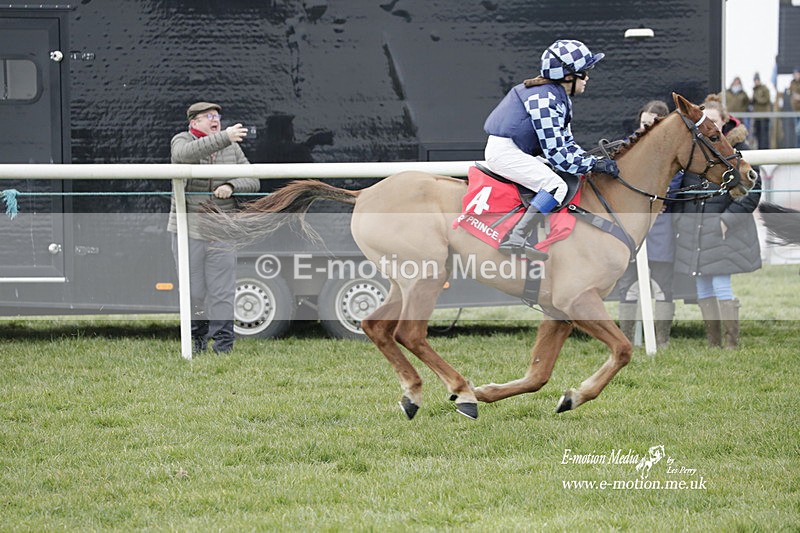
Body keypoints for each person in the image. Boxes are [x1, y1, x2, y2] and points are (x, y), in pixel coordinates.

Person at [483, 38, 619, 260]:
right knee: (556, 185)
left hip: (517, 150)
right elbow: (557, 155)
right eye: (584, 73)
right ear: (567, 75)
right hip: (506, 152)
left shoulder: (558, 96)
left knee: (565, 178)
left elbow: (567, 143)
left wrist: (590, 159)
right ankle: (516, 237)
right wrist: (594, 164)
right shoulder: (544, 98)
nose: (588, 78)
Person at [168, 102, 260, 354]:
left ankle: (223, 347)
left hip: (222, 230)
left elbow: (253, 178)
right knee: (194, 291)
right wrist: (224, 137)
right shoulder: (181, 140)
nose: (215, 120)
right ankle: (196, 343)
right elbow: (183, 156)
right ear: (193, 122)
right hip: (188, 231)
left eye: (217, 116)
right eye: (209, 116)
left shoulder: (232, 146)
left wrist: (231, 186)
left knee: (222, 291)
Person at [672, 94, 762, 349]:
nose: (710, 123)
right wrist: (681, 221)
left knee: (721, 283)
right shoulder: (693, 152)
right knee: (702, 286)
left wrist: (726, 221)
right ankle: (714, 343)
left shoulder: (738, 153)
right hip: (696, 229)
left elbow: (753, 190)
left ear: (724, 121)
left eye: (714, 119)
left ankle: (731, 342)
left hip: (722, 231)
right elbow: (682, 191)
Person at [616, 100, 682, 348]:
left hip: (660, 226)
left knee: (663, 285)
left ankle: (661, 341)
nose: (645, 128)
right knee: (627, 285)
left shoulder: (673, 149)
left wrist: (657, 198)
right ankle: (626, 341)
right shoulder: (629, 146)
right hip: (631, 225)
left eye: (650, 124)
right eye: (643, 123)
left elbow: (675, 180)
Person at [750, 73, 772, 149]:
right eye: (755, 80)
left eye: (757, 80)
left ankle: (765, 149)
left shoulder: (764, 89)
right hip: (757, 117)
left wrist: (757, 98)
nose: (756, 82)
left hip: (764, 116)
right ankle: (760, 149)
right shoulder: (754, 90)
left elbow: (766, 99)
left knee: (764, 135)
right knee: (758, 134)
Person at [790, 67, 800, 147]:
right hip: (795, 111)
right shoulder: (792, 83)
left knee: (798, 130)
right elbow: (791, 93)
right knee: (797, 131)